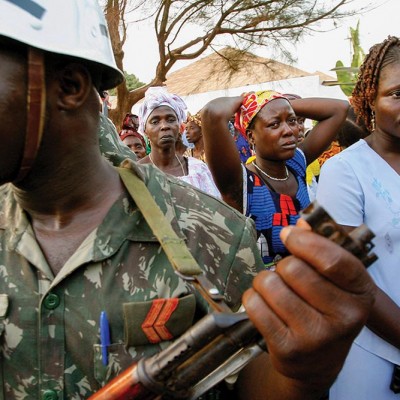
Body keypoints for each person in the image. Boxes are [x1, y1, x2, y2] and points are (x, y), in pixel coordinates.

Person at [0, 1, 375, 399]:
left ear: (71, 87)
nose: (289, 130)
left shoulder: (214, 235)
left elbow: (254, 382)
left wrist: (302, 374)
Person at [316, 35, 400, 400]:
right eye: (397, 93)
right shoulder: (344, 171)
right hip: (375, 353)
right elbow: (348, 277)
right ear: (369, 98)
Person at [201, 91, 349, 267]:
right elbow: (212, 113)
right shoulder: (242, 183)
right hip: (267, 291)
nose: (288, 131)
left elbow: (340, 108)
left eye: (292, 120)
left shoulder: (296, 164)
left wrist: (275, 102)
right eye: (274, 124)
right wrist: (251, 102)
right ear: (250, 136)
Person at [137, 86, 221, 198]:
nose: (164, 126)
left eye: (171, 120)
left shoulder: (198, 170)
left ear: (179, 127)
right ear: (145, 130)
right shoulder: (136, 173)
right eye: (155, 121)